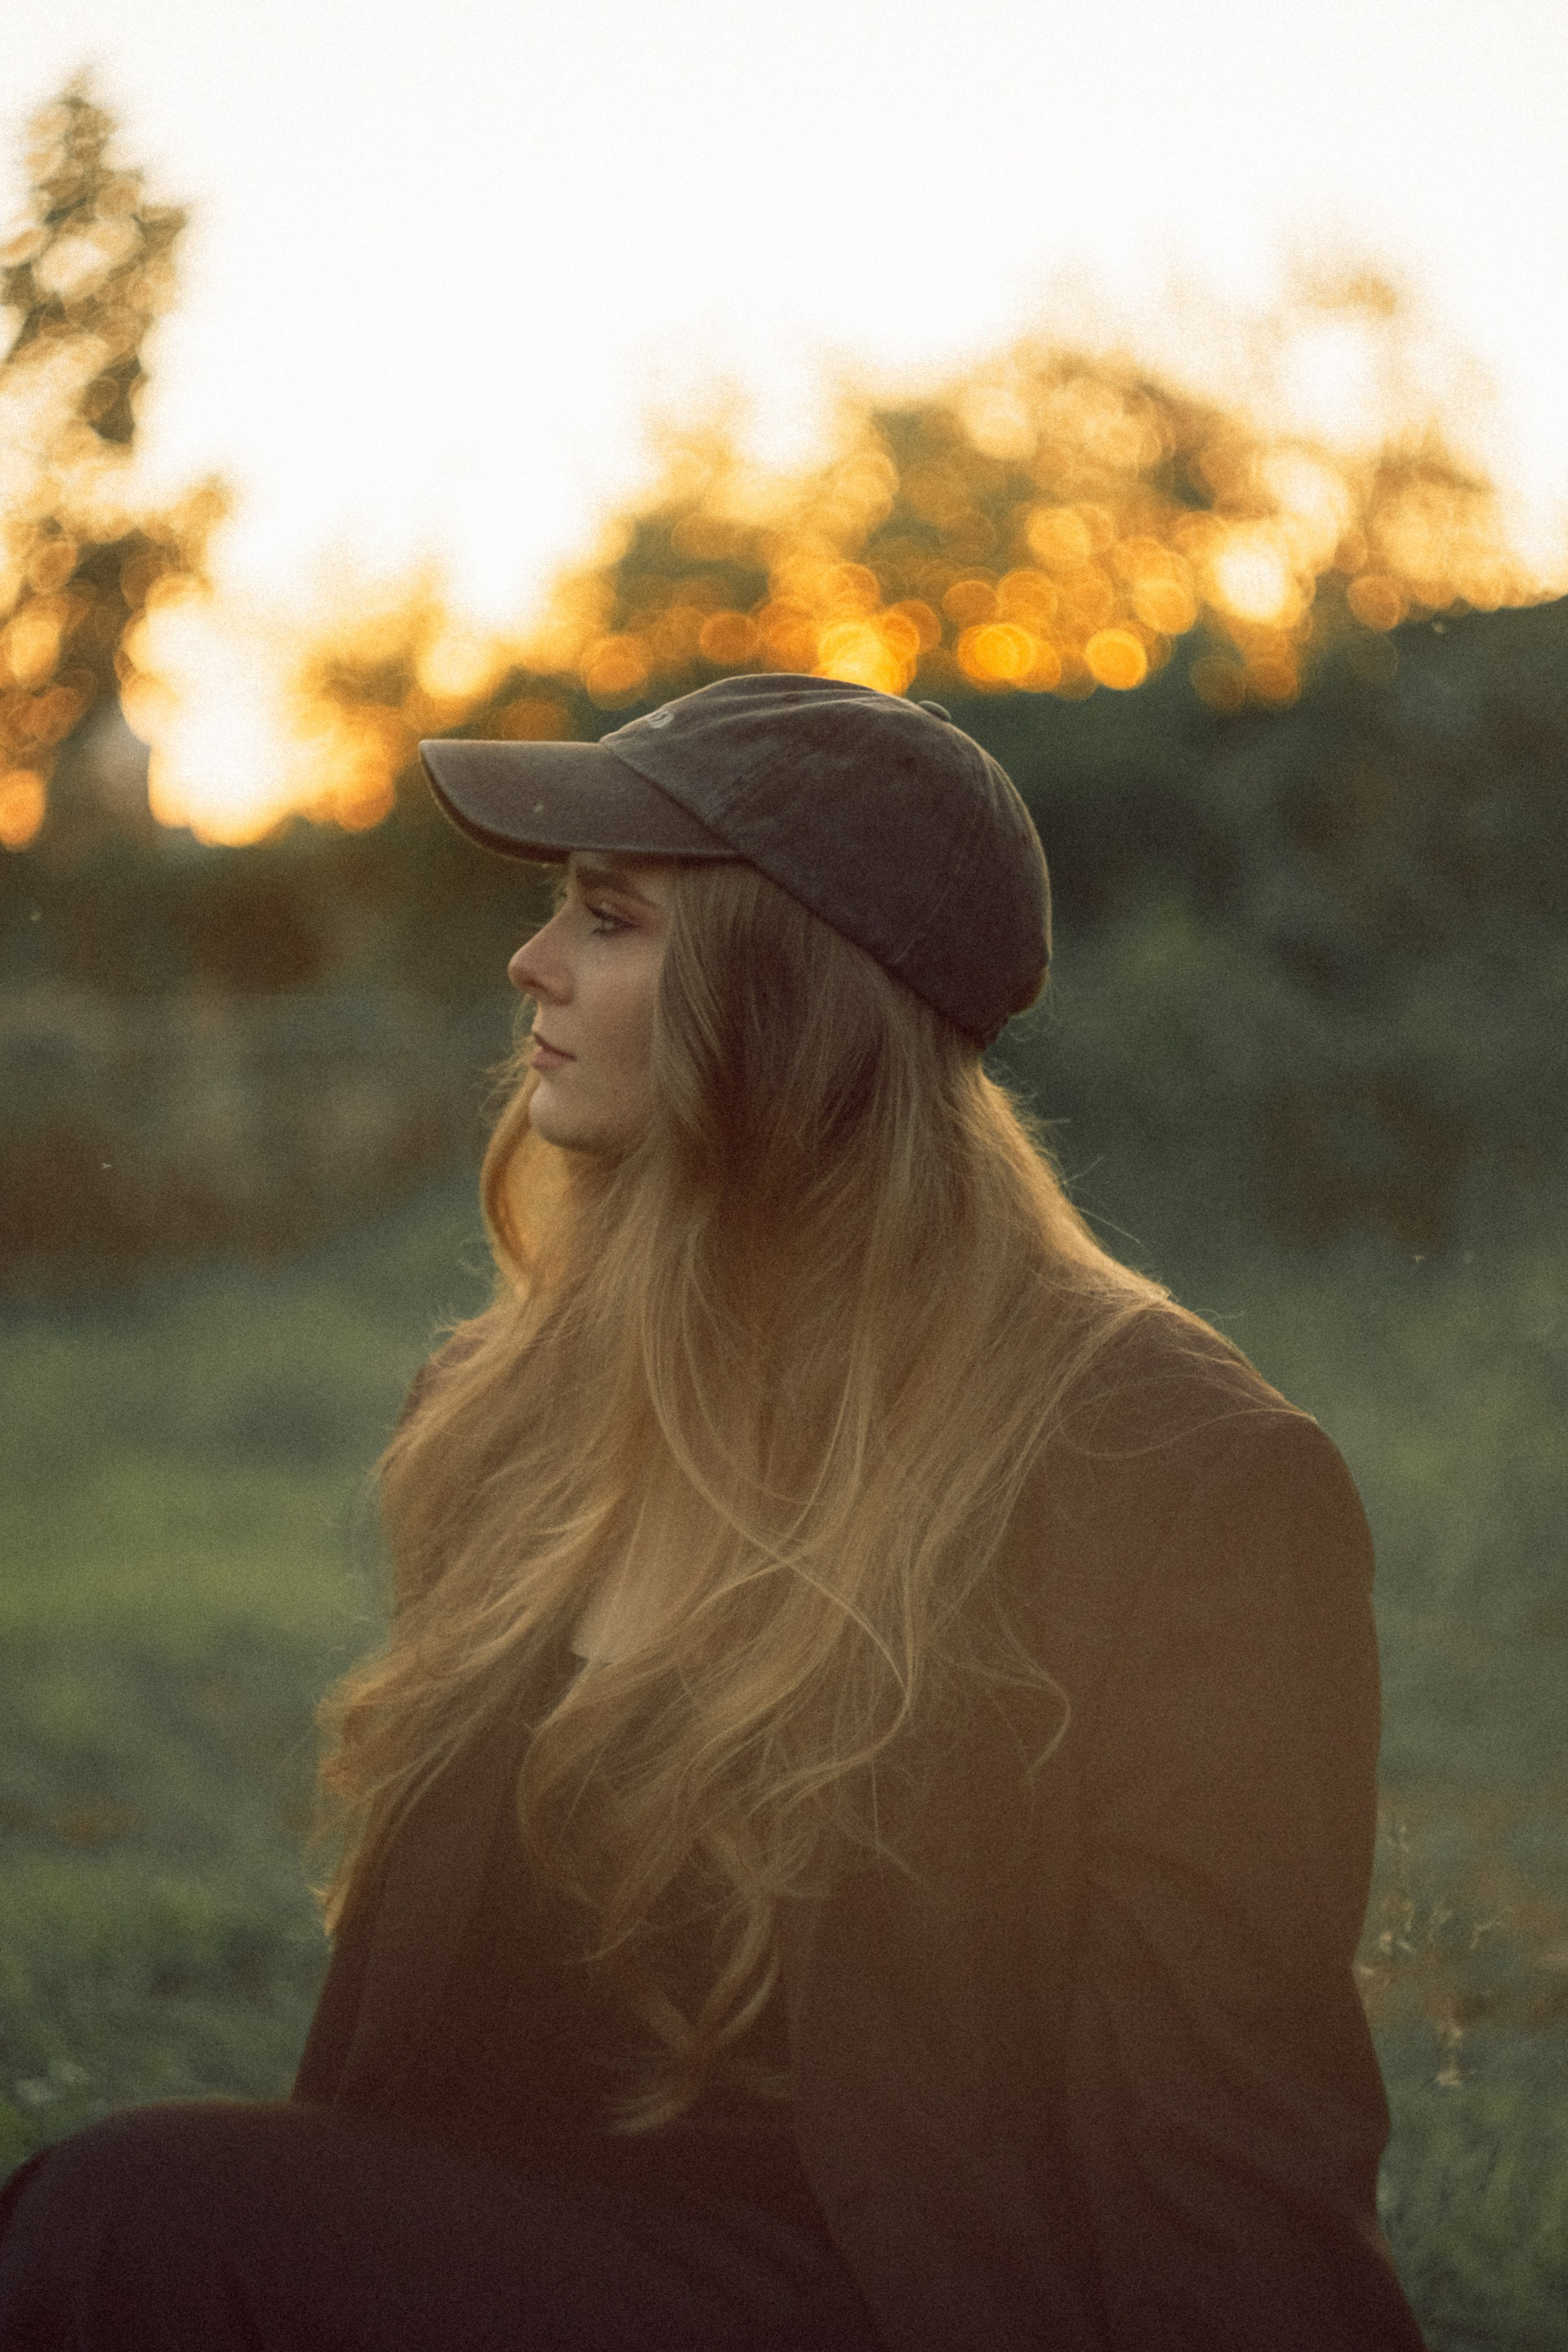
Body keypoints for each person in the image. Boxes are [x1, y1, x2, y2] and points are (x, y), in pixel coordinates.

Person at [0, 674, 1427, 2350]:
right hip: (525, 2264)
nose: (532, 965)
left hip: (891, 2305)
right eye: (559, 908)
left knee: (131, 2223)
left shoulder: (1176, 1484)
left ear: (793, 989)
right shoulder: (505, 1405)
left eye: (608, 920)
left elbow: (1236, 2174)